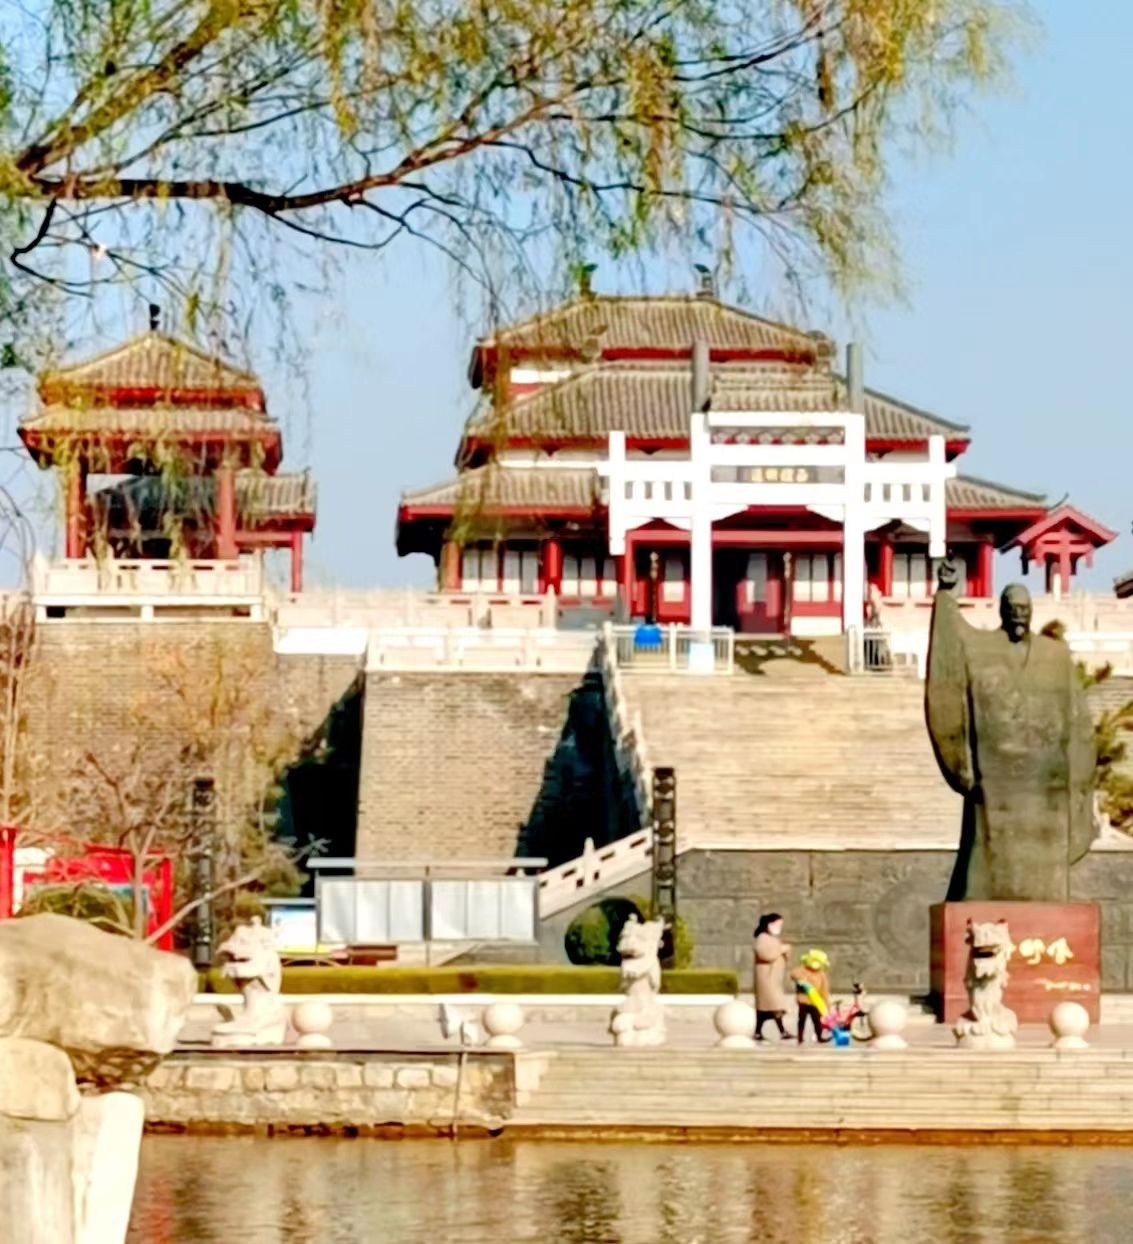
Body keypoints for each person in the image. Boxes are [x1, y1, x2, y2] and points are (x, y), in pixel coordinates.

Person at [925, 560, 1096, 901]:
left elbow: (1079, 721)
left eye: (1024, 608)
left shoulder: (1055, 654)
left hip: (1046, 780)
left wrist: (1079, 775)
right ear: (1001, 611)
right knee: (986, 862)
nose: (1019, 614)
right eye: (1012, 608)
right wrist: (946, 594)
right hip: (995, 778)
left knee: (1046, 869)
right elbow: (951, 645)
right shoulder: (981, 647)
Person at [752, 913, 791, 1040]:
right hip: (766, 979)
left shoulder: (772, 938)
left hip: (774, 978)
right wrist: (781, 949)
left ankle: (759, 1032)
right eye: (777, 925)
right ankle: (781, 1031)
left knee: (767, 1008)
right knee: (774, 1004)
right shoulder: (762, 938)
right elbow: (766, 955)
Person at [791, 949, 832, 1045]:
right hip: (803, 1000)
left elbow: (824, 990)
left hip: (815, 1001)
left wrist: (826, 1003)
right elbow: (794, 974)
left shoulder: (822, 974)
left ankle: (819, 1036)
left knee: (817, 1020)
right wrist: (801, 979)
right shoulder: (803, 970)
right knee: (802, 1019)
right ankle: (800, 1037)